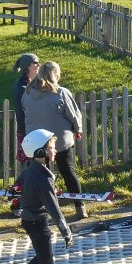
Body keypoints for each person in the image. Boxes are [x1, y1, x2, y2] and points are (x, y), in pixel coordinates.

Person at [1, 128, 73, 264]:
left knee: (41, 258)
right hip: (38, 221)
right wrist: (65, 230)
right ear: (40, 151)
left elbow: (17, 188)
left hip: (29, 220)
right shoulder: (43, 176)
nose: (55, 150)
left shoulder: (32, 169)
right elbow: (53, 207)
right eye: (51, 147)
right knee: (47, 261)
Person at [21, 61, 86, 219]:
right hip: (59, 141)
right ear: (54, 74)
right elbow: (74, 114)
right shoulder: (61, 92)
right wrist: (78, 129)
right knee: (68, 173)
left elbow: (24, 111)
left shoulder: (27, 93)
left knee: (40, 177)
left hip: (36, 142)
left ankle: (43, 209)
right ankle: (80, 206)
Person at [11, 52, 40, 161]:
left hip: (30, 130)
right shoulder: (22, 88)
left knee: (35, 164)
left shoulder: (28, 85)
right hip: (28, 131)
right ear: (27, 67)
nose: (39, 65)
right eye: (35, 63)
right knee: (34, 164)